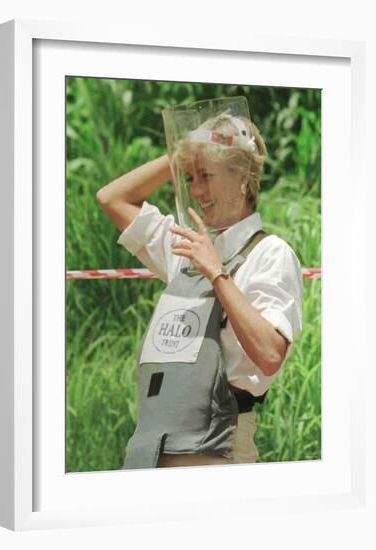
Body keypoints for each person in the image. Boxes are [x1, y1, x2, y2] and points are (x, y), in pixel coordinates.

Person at [96, 97, 303, 468]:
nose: (196, 191)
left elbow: (270, 355)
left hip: (218, 451)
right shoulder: (188, 248)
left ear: (241, 178)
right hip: (152, 448)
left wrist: (217, 275)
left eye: (206, 176)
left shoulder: (272, 254)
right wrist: (183, 154)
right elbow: (112, 199)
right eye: (190, 178)